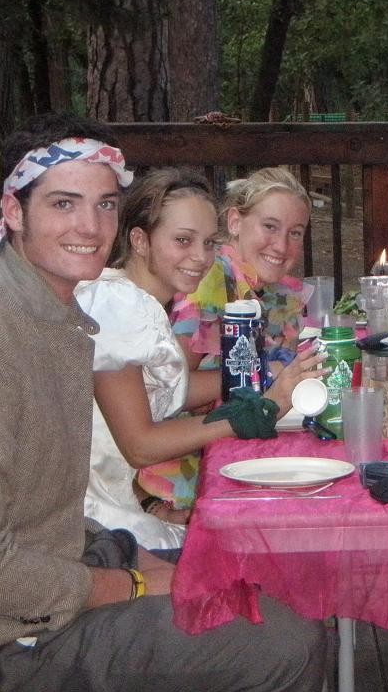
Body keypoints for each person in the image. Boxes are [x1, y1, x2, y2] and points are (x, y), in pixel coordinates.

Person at [0, 113, 326, 692]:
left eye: (105, 204)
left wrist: (128, 553)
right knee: (280, 644)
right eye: (64, 203)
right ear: (13, 210)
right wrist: (135, 580)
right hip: (11, 640)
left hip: (64, 575)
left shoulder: (55, 319)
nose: (89, 227)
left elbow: (47, 514)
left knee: (275, 574)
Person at [74, 168, 324, 550]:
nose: (201, 258)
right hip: (95, 524)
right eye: (182, 240)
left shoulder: (142, 305)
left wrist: (154, 505)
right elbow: (138, 446)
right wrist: (249, 413)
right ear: (140, 240)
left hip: (124, 500)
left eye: (208, 243)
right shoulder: (117, 305)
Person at [171, 166, 311, 373]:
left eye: (295, 233)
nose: (281, 245)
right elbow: (174, 387)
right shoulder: (210, 282)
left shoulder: (280, 293)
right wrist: (269, 371)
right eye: (270, 226)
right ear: (235, 222)